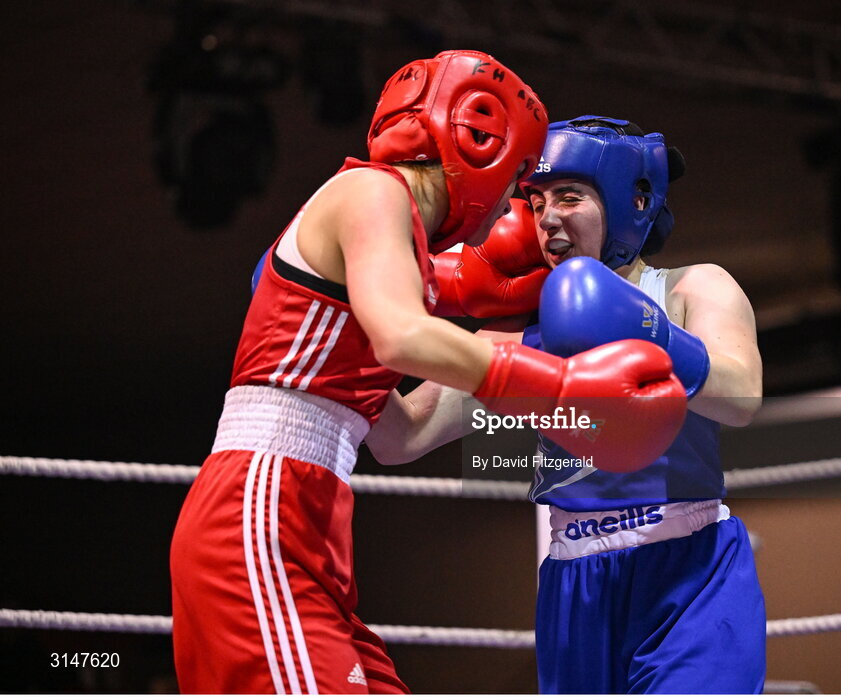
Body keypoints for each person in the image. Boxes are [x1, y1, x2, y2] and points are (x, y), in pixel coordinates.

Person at [169, 54, 688, 694]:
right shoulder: (372, 191)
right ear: (481, 144)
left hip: (305, 513)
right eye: (521, 181)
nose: (511, 208)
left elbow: (394, 436)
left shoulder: (391, 238)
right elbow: (402, 336)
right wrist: (555, 386)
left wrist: (508, 338)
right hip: (258, 509)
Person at [366, 116, 767, 693]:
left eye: (570, 197)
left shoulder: (688, 289)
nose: (547, 217)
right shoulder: (510, 338)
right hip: (574, 583)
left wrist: (645, 330)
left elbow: (743, 396)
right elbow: (400, 439)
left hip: (690, 569)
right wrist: (350, 316)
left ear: (633, 203)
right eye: (536, 201)